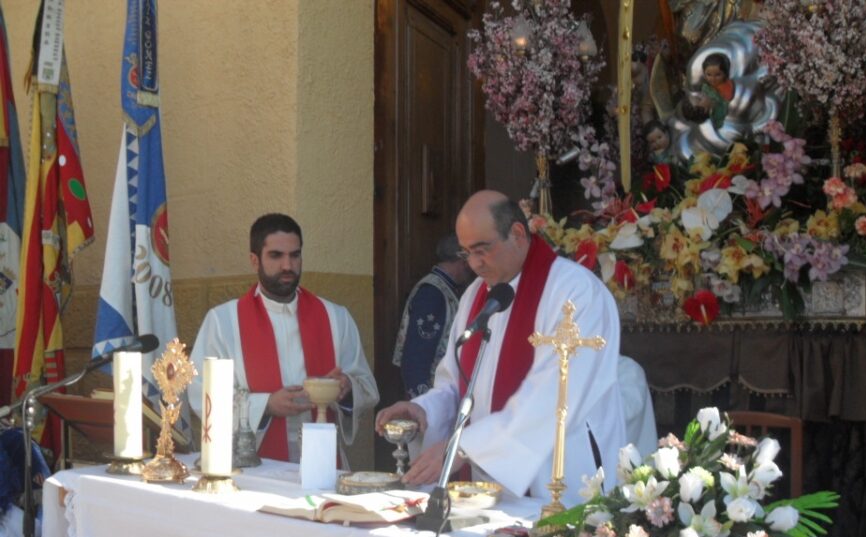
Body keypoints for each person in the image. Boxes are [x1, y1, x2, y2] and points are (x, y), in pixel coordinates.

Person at [376, 190, 626, 508]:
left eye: (483, 249)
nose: (475, 263)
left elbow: (553, 396)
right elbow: (458, 384)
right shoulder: (475, 297)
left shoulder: (574, 292)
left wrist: (463, 447)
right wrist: (424, 409)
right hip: (486, 485)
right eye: (467, 253)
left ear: (518, 233)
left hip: (562, 480)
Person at [188, 213, 378, 463]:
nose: (287, 266)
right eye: (276, 256)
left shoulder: (335, 317)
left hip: (323, 461)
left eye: (295, 255)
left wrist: (347, 388)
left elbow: (367, 387)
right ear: (255, 261)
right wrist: (266, 405)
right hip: (253, 466)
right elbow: (203, 396)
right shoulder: (223, 322)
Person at [392, 233, 472, 398]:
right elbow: (417, 354)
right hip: (432, 392)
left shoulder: (443, 289)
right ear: (462, 260)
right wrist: (422, 401)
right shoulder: (433, 293)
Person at [697, 52, 734, 129]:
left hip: (727, 122)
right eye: (709, 75)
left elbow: (730, 104)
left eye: (718, 75)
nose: (713, 79)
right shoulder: (705, 88)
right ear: (704, 74)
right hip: (712, 123)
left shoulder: (728, 86)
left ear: (725, 74)